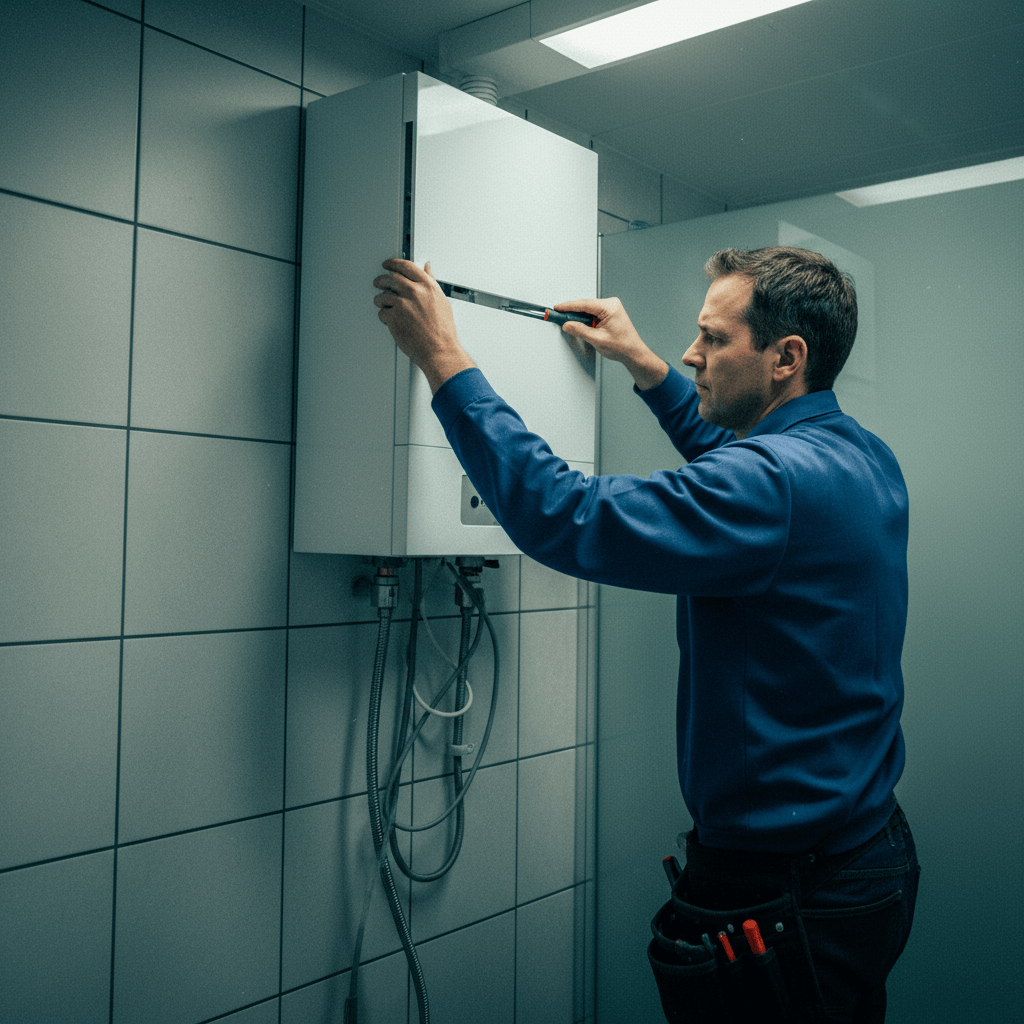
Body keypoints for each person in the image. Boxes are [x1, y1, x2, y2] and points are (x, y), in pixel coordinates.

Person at [373, 246, 920, 1023]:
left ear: (786, 358)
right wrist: (642, 363)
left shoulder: (768, 484)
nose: (692, 353)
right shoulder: (857, 453)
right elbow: (734, 466)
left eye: (714, 339)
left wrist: (444, 358)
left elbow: (567, 516)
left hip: (790, 888)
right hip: (865, 856)